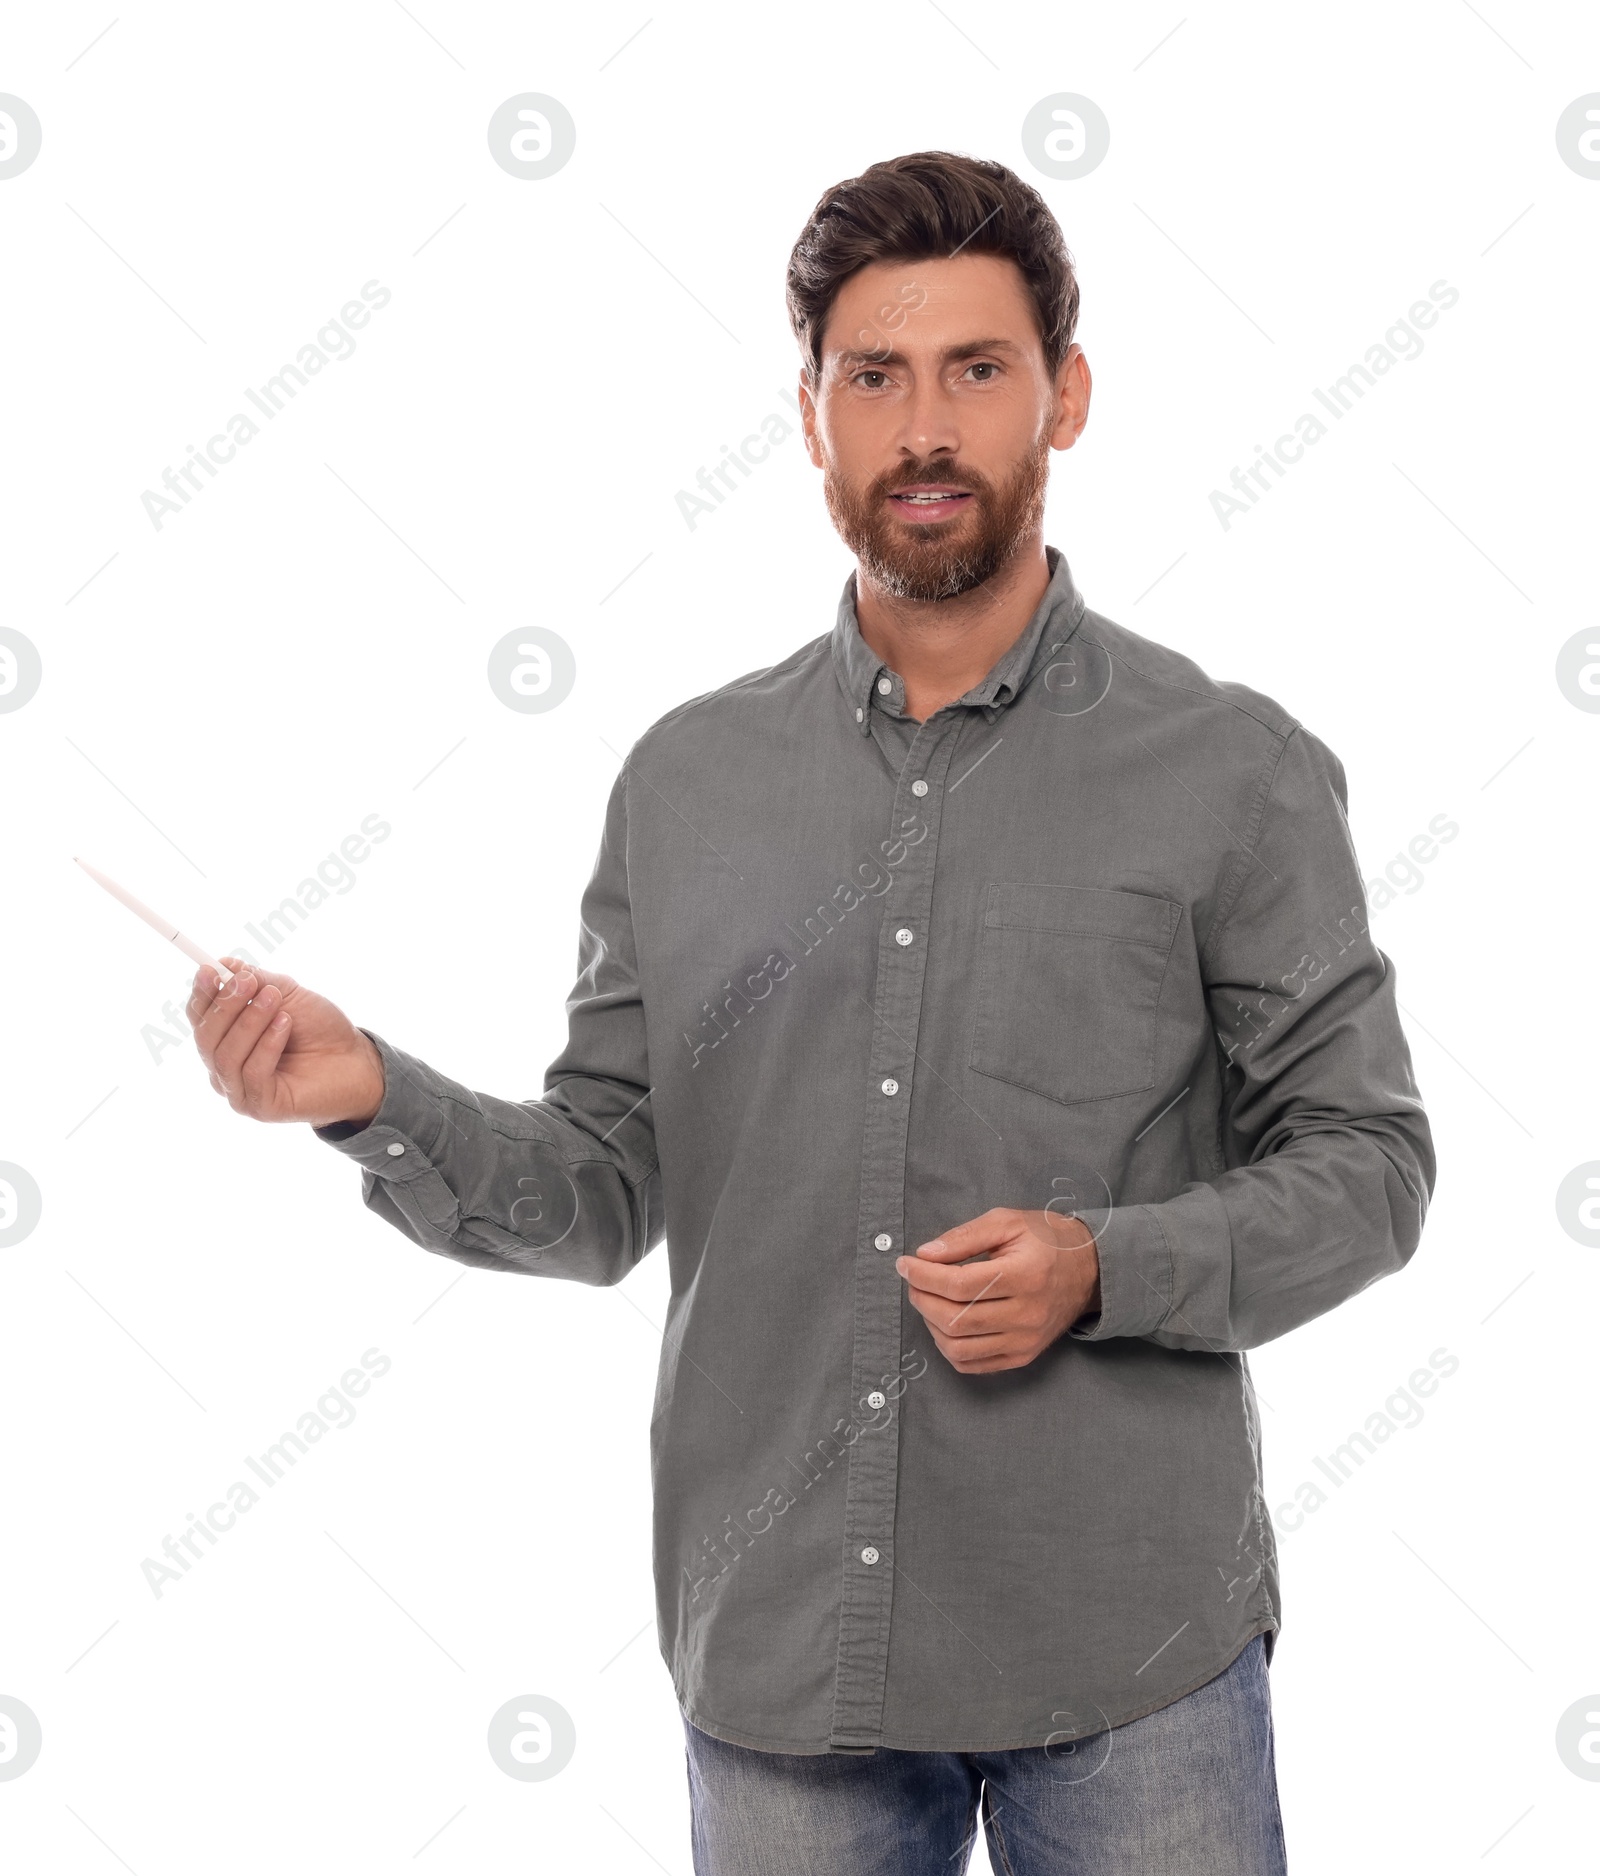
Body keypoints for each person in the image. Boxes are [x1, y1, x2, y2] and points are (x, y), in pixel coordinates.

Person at [186, 151, 1435, 1874]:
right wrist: (366, 1094)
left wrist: (1104, 1266)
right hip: (782, 1665)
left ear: (1063, 398)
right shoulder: (686, 783)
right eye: (876, 377)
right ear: (812, 417)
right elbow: (609, 1188)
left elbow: (1372, 1167)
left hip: (1134, 1653)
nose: (924, 427)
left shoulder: (1233, 772)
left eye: (976, 371)